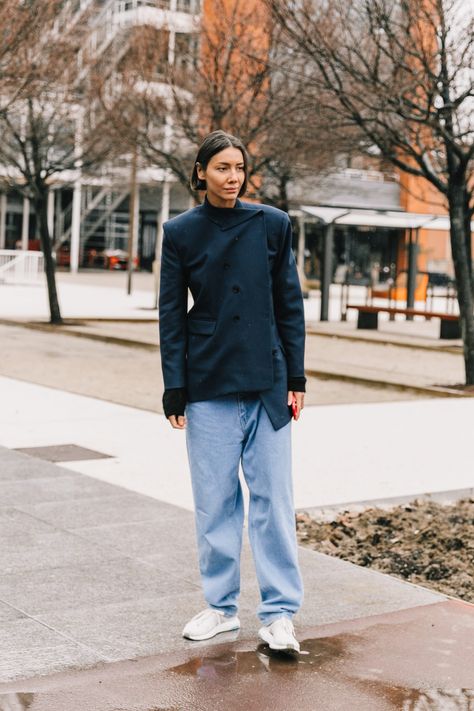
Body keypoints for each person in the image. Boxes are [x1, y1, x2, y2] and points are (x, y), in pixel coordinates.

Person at [159, 130, 306, 654]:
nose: (232, 177)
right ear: (201, 173)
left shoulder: (273, 224)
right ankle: (221, 608)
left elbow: (289, 303)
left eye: (239, 168)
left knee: (273, 501)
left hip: (267, 382)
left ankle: (279, 614)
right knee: (215, 503)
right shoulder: (180, 232)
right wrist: (174, 389)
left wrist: (297, 379)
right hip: (208, 384)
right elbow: (172, 315)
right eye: (221, 168)